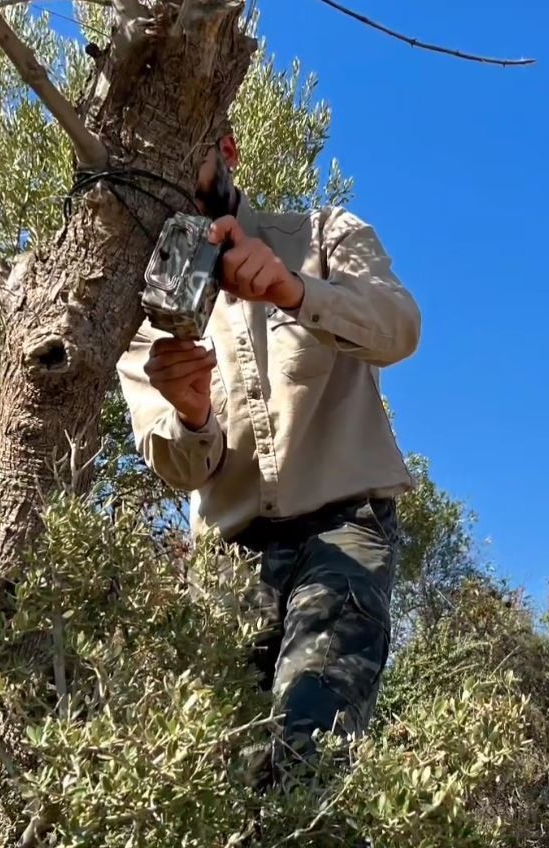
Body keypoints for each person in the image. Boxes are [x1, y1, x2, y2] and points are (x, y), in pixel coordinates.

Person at [116, 132, 421, 786]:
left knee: (307, 757)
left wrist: (292, 290)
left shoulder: (325, 232)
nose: (174, 178)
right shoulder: (136, 313)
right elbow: (177, 465)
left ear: (225, 147)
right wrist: (192, 412)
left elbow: (397, 327)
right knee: (219, 777)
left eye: (187, 151)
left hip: (345, 527)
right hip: (229, 557)